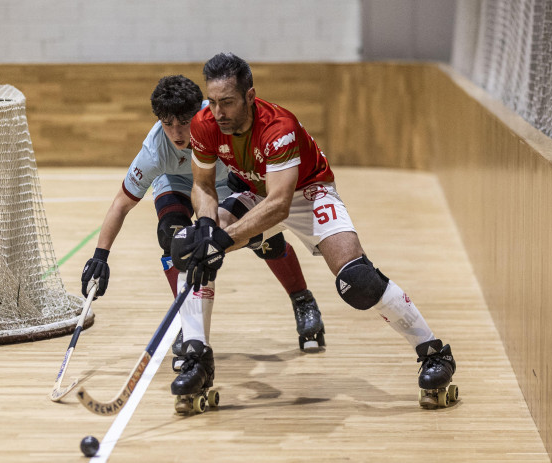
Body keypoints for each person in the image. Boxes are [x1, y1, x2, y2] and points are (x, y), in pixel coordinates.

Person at [169, 53, 457, 409]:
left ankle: (434, 352)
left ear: (250, 96)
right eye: (212, 102)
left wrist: (224, 240)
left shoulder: (279, 128)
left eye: (227, 102)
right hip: (253, 191)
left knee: (357, 280)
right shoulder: (205, 123)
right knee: (191, 250)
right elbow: (204, 187)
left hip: (307, 192)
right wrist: (209, 229)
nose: (219, 112)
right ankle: (198, 358)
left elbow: (279, 205)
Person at [80, 75, 326, 362]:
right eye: (167, 123)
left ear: (201, 111)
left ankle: (302, 299)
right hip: (177, 182)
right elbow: (122, 203)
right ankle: (188, 323)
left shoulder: (224, 123)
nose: (176, 133)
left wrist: (248, 179)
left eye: (183, 122)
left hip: (221, 180)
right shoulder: (156, 149)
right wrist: (100, 255)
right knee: (173, 239)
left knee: (264, 238)